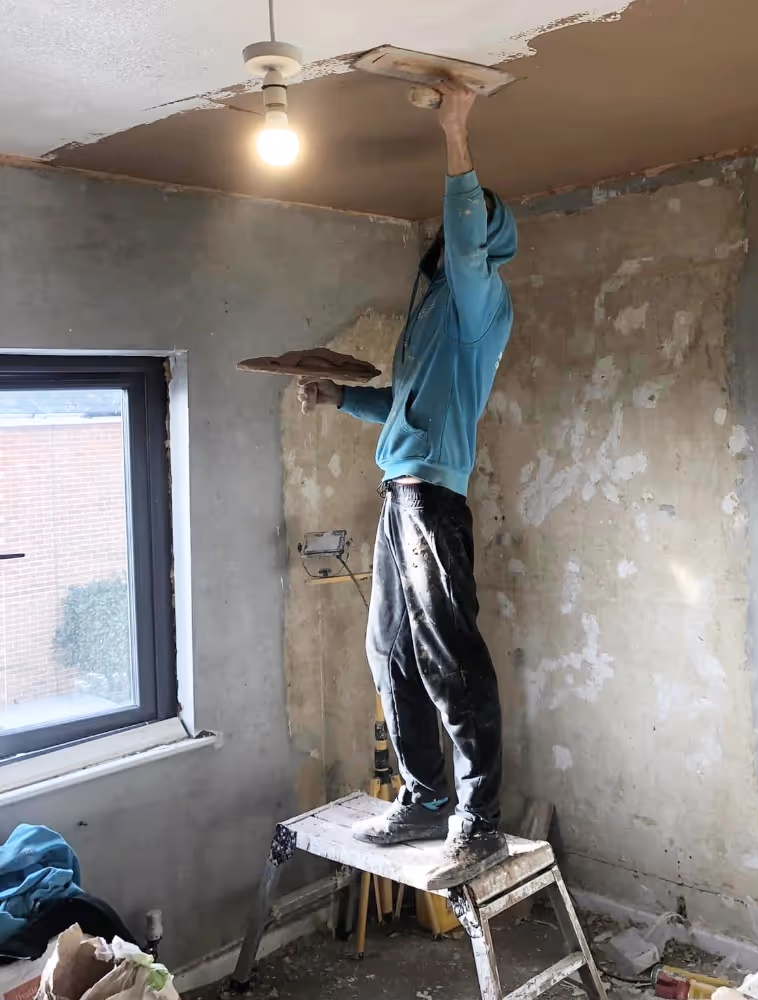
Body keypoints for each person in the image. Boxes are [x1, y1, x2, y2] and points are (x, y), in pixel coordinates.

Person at [297, 79, 516, 889]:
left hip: (431, 498)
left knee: (449, 655)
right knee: (389, 645)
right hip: (402, 491)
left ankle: (479, 821)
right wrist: (339, 396)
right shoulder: (432, 322)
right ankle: (426, 798)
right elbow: (405, 405)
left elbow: (464, 238)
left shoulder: (479, 301)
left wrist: (457, 130)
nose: (443, 243)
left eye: (463, 231)